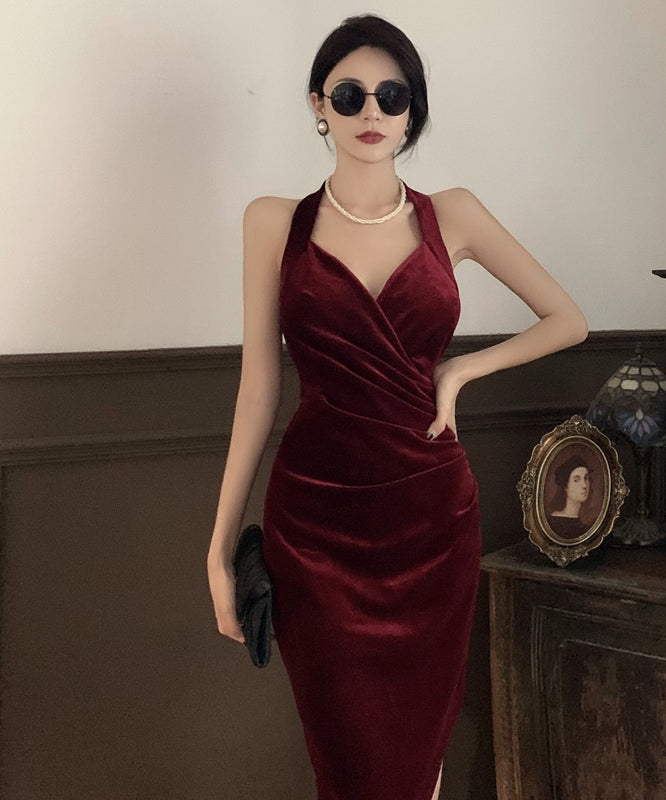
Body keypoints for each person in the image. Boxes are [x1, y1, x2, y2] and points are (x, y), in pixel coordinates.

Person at [206, 13, 588, 800]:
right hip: (315, 528)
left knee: (418, 762)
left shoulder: (455, 214)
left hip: (430, 523)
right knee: (347, 760)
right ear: (318, 106)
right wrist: (217, 550)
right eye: (350, 95)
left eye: (392, 94)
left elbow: (568, 319)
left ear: (413, 109)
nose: (372, 111)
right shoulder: (273, 222)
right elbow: (258, 389)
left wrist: (461, 370)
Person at [547, 456, 592, 539]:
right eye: (576, 480)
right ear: (565, 486)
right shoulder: (555, 522)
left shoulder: (583, 525)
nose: (584, 485)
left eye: (586, 478)